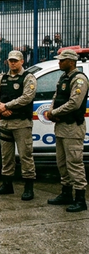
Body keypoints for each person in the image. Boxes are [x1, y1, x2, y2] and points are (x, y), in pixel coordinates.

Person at [44, 49, 89, 212]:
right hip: (61, 127)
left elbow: (74, 103)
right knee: (62, 163)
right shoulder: (64, 77)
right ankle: (66, 193)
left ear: (71, 61)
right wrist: (51, 111)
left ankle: (80, 198)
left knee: (74, 163)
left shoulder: (79, 79)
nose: (59, 62)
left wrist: (54, 113)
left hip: (72, 127)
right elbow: (56, 97)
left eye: (62, 60)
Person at [0, 50, 37, 200]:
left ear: (22, 61)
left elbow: (27, 98)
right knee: (6, 156)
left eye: (16, 60)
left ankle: (28, 188)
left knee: (25, 156)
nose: (13, 63)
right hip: (5, 123)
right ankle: (7, 184)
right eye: (11, 60)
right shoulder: (3, 77)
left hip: (21, 123)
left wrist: (7, 106)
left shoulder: (28, 78)